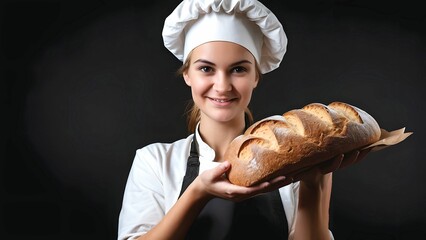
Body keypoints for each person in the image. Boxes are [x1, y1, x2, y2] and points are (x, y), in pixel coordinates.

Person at [118, 0, 369, 239]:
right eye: (206, 68)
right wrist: (198, 192)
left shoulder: (295, 162)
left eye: (238, 69)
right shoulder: (155, 162)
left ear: (256, 77)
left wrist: (313, 184)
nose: (222, 86)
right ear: (187, 75)